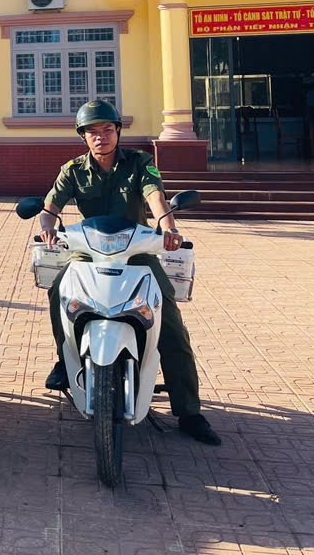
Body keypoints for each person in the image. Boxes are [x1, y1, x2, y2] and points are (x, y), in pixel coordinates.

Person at [39, 99, 220, 446]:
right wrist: (48, 226)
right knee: (59, 290)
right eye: (93, 132)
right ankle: (65, 358)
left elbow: (156, 198)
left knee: (169, 321)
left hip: (137, 250)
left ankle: (189, 412)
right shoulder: (72, 170)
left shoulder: (140, 162)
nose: (101, 137)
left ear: (118, 131)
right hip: (89, 250)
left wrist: (168, 228)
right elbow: (50, 207)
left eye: (107, 129)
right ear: (83, 137)